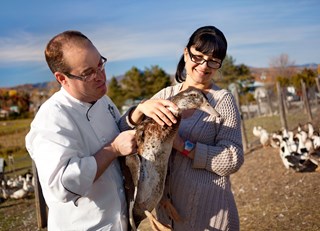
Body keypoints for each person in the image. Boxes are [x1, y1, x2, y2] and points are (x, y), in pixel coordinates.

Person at [25, 30, 178, 231]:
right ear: (62, 78)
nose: (101, 76)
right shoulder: (51, 119)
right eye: (88, 73)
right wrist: (112, 149)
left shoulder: (101, 99)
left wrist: (137, 112)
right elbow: (61, 186)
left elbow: (117, 130)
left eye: (100, 64)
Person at [154, 26, 244, 230]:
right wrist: (140, 108)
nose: (204, 66)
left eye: (213, 60)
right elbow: (126, 128)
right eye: (198, 56)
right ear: (186, 53)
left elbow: (232, 159)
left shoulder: (223, 101)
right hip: (167, 219)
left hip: (210, 215)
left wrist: (182, 145)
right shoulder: (164, 96)